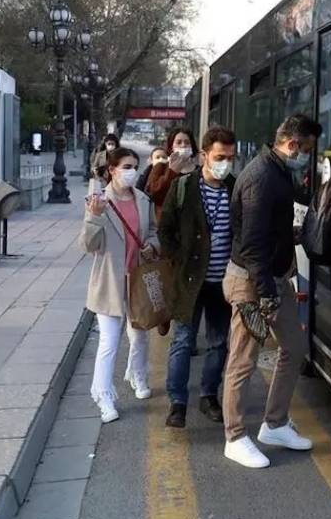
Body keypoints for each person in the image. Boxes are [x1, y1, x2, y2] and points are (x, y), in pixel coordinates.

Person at [221, 114, 322, 469]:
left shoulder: (277, 171)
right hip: (253, 283)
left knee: (293, 348)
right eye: (307, 149)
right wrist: (265, 295)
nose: (307, 157)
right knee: (243, 361)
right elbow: (251, 245)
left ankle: (274, 424)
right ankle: (234, 437)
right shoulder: (262, 177)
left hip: (273, 279)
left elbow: (267, 231)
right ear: (292, 145)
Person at [159, 126, 237, 428]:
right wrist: (180, 259)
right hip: (189, 281)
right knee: (182, 340)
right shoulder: (183, 188)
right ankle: (177, 402)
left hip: (223, 282)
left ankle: (208, 396)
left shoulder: (235, 187)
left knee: (218, 343)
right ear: (204, 154)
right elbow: (165, 230)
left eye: (230, 157)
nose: (225, 163)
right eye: (220, 156)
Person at [79, 147, 160, 423]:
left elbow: (152, 232)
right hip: (110, 282)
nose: (131, 171)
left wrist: (152, 246)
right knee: (109, 341)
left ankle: (137, 374)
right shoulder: (99, 201)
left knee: (139, 334)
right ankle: (103, 395)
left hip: (137, 278)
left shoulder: (142, 199)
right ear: (112, 170)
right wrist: (93, 216)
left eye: (134, 166)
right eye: (126, 166)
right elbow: (88, 246)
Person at [143, 127, 199, 223]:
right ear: (171, 146)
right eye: (179, 142)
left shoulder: (199, 171)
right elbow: (152, 194)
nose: (183, 145)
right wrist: (172, 172)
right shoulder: (161, 167)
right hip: (167, 224)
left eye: (187, 142)